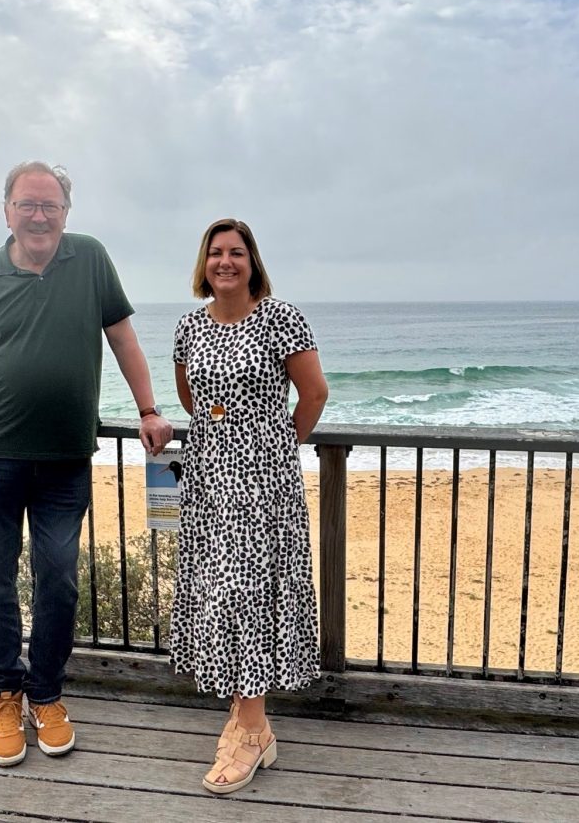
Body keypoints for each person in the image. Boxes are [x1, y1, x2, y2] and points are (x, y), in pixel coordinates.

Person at [0, 161, 173, 767]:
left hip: (65, 460)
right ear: (6, 210)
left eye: (51, 206)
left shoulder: (89, 258)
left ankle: (45, 694)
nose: (39, 216)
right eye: (27, 204)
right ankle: (3, 695)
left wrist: (149, 409)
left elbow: (123, 339)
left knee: (59, 580)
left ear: (67, 212)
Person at [170, 218, 329, 794]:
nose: (225, 262)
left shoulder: (281, 317)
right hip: (209, 476)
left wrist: (278, 443)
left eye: (236, 252)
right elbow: (192, 398)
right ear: (204, 263)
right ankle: (246, 718)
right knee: (219, 589)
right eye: (216, 253)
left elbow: (314, 394)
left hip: (264, 480)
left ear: (252, 261)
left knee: (249, 592)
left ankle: (253, 730)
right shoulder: (191, 325)